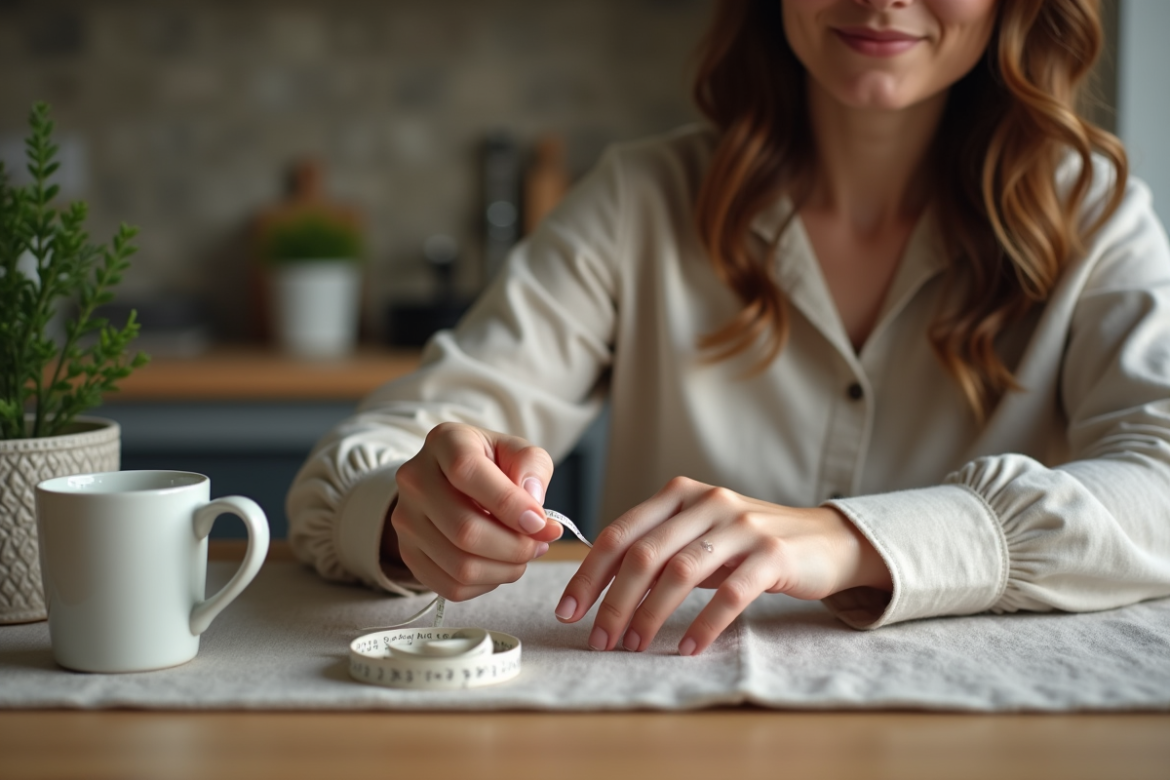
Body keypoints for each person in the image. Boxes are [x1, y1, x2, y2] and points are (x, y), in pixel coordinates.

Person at [287, 0, 1170, 657]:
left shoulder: (1095, 217)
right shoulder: (639, 200)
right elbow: (368, 457)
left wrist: (850, 538)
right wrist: (413, 514)